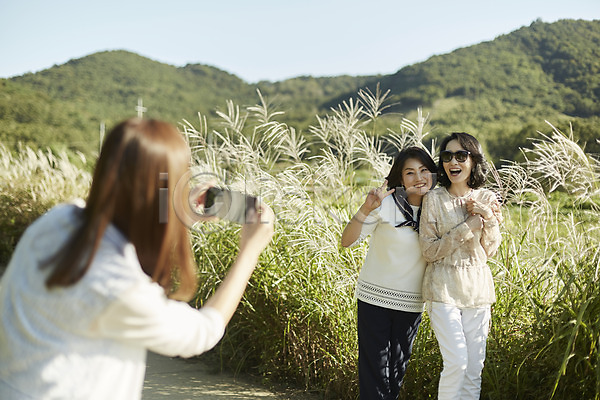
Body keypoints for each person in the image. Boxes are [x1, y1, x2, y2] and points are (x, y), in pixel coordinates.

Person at [0, 118, 275, 400]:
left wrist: (178, 209)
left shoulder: (58, 220)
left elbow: (123, 216)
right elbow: (201, 332)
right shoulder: (118, 287)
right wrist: (249, 251)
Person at [341, 146, 437, 400]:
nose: (418, 177)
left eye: (424, 170)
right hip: (375, 298)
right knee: (375, 372)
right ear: (400, 179)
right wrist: (365, 208)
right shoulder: (385, 205)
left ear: (433, 174)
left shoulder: (438, 210)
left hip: (411, 304)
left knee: (396, 373)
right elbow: (347, 241)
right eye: (410, 173)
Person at [418, 132, 502, 400]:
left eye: (461, 156)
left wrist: (487, 217)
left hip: (478, 292)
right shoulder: (434, 199)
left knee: (474, 369)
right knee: (457, 363)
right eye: (447, 156)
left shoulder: (487, 198)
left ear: (473, 160)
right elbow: (430, 251)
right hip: (442, 289)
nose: (453, 161)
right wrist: (468, 227)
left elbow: (489, 250)